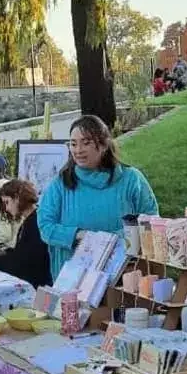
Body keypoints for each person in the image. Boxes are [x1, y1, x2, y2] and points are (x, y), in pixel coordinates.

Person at [38, 115, 158, 279]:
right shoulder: (61, 184)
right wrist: (79, 235)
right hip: (74, 279)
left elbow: (151, 220)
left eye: (86, 143)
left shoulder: (131, 179)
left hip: (124, 274)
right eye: (73, 144)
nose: (78, 150)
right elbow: (45, 226)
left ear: (103, 145)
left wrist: (113, 240)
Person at [0, 179, 52, 288]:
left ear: (17, 198)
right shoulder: (32, 220)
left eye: (7, 202)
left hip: (36, 286)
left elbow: (27, 264)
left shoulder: (35, 223)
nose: (6, 208)